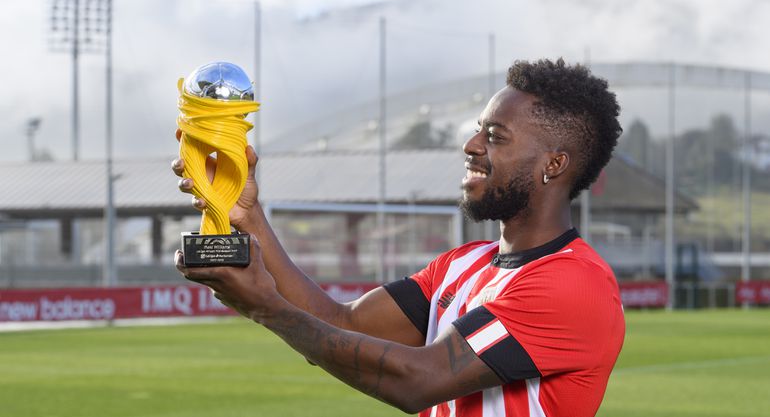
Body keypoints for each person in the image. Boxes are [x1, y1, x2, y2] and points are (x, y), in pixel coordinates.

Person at [173, 58, 625, 417]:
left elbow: (419, 380)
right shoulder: (463, 263)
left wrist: (266, 307)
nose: (471, 145)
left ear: (553, 164)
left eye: (495, 136)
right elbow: (341, 324)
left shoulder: (573, 283)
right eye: (477, 130)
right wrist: (247, 215)